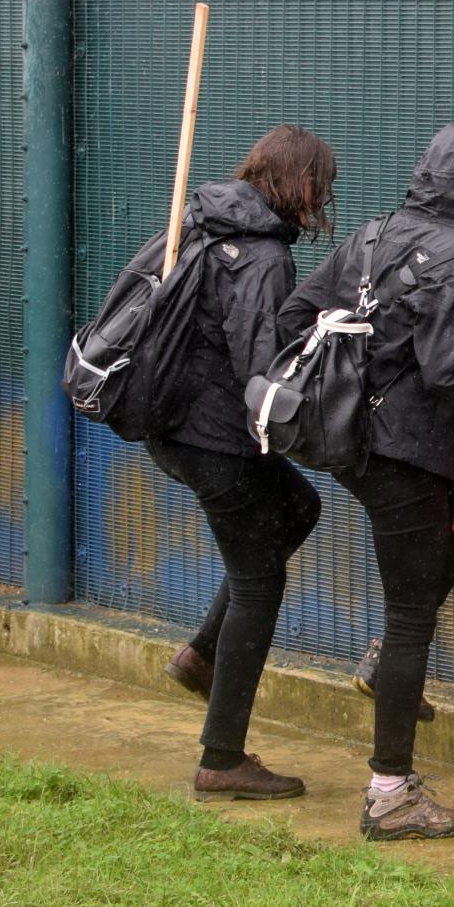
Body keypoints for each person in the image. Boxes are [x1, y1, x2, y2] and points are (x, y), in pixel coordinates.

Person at [281, 116, 454, 842]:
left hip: (354, 445)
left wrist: (360, 360)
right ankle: (390, 792)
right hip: (412, 456)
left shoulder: (372, 235)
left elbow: (297, 314)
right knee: (411, 618)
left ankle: (385, 663)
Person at [145, 125, 336, 800]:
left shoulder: (202, 218)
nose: (322, 199)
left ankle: (201, 654)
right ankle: (221, 757)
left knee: (299, 506)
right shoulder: (259, 254)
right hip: (214, 436)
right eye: (319, 183)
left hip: (176, 423)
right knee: (259, 581)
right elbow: (261, 368)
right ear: (295, 181)